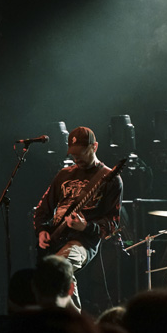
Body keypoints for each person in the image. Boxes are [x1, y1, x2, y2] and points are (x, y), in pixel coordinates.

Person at [33, 126, 123, 308]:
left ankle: (75, 325)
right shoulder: (64, 175)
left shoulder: (110, 178)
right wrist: (42, 229)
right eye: (73, 153)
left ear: (94, 147)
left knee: (60, 269)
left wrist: (86, 227)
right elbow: (43, 208)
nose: (76, 157)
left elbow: (112, 223)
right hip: (57, 239)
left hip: (83, 241)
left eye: (81, 152)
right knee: (52, 283)